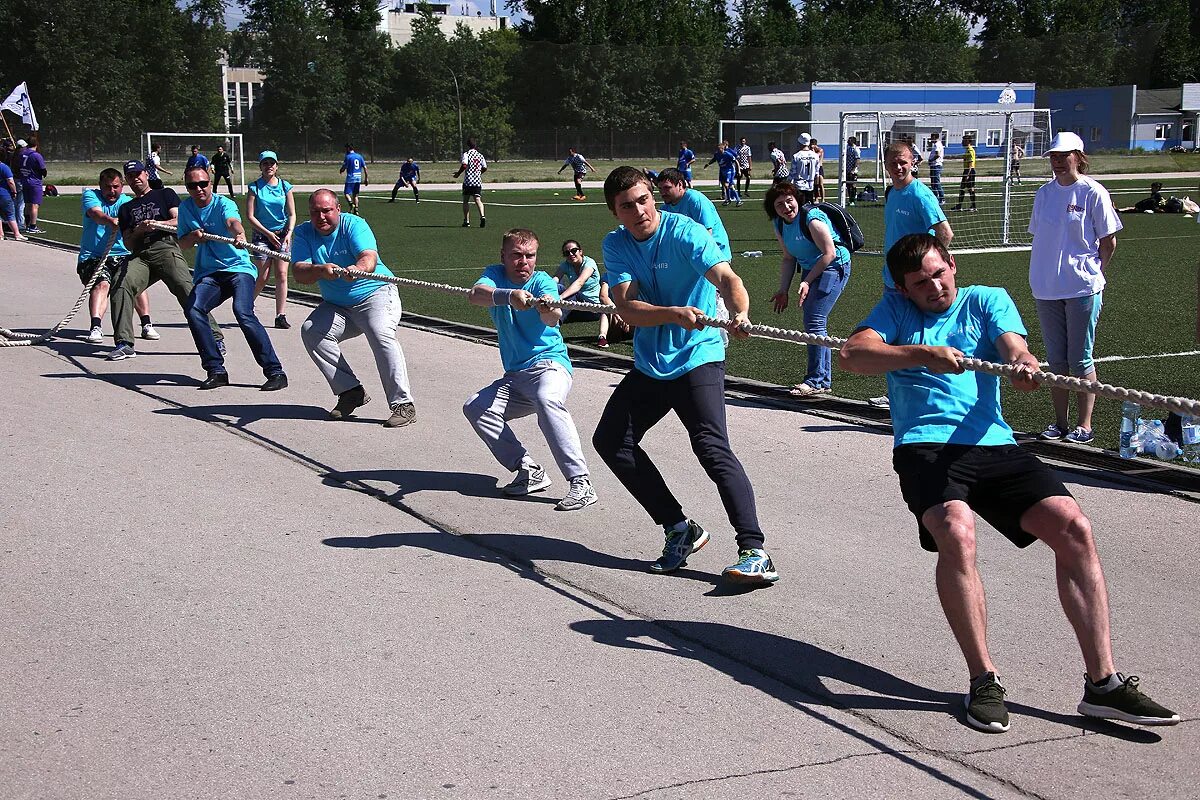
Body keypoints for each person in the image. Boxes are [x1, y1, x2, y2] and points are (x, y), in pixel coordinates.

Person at [838, 232, 1179, 734]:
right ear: (903, 289)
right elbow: (854, 354)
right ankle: (984, 679)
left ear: (951, 264)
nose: (934, 287)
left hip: (993, 443)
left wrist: (1024, 362)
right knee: (957, 533)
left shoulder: (986, 299)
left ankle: (1103, 684)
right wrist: (921, 353)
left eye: (939, 273)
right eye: (920, 283)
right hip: (926, 448)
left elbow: (1013, 345)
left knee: (1074, 527)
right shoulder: (896, 311)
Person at [592, 166, 779, 585]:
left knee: (711, 448)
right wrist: (673, 314)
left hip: (699, 356)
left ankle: (755, 550)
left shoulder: (686, 232)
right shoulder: (616, 244)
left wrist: (740, 312)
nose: (640, 210)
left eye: (644, 199)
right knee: (611, 441)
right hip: (652, 365)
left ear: (653, 196)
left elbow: (728, 278)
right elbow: (626, 308)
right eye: (627, 206)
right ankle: (680, 528)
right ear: (615, 212)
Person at [464, 228, 597, 512]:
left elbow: (553, 317)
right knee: (476, 407)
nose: (523, 261)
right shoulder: (494, 275)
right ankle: (528, 469)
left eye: (530, 256)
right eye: (516, 255)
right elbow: (476, 295)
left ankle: (581, 482)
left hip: (550, 366)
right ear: (503, 256)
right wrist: (509, 295)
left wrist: (546, 308)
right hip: (515, 377)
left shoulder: (542, 283)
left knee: (548, 399)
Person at [294, 189, 417, 428]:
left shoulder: (354, 224)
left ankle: (403, 404)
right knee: (312, 331)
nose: (321, 217)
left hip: (377, 294)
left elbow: (368, 257)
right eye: (315, 212)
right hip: (339, 306)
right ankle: (350, 391)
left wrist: (356, 269)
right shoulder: (303, 232)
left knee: (381, 334)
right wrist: (320, 270)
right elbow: (299, 272)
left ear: (338, 209)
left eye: (327, 211)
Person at [1028, 131, 1121, 445]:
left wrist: (1094, 272)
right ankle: (1059, 423)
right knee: (1055, 361)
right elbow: (1041, 236)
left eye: (1063, 155)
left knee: (1080, 360)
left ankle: (1085, 425)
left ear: (1078, 157)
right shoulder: (1044, 194)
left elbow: (1108, 241)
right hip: (1046, 288)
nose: (1057, 161)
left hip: (1082, 287)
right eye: (1053, 156)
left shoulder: (1093, 192)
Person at [177, 165, 287, 391]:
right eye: (192, 185)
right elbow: (182, 244)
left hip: (238, 269)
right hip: (210, 273)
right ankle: (216, 370)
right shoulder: (186, 208)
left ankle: (275, 371)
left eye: (203, 184)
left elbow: (232, 222)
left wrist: (238, 233)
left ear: (210, 183)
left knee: (243, 312)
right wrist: (193, 236)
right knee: (194, 309)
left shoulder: (223, 203)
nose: (198, 189)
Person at [110, 160, 224, 361]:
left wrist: (156, 224)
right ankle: (124, 343)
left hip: (165, 247)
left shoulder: (164, 194)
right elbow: (128, 243)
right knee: (121, 283)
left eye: (138, 174)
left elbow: (179, 220)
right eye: (130, 176)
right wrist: (139, 230)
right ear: (126, 180)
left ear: (146, 174)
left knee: (185, 288)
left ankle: (214, 338)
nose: (135, 178)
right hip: (140, 254)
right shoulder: (126, 208)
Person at [764, 181, 852, 397]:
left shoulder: (812, 220)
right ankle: (821, 379)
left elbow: (829, 254)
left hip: (833, 266)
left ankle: (816, 380)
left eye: (789, 201)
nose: (786, 207)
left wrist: (806, 281)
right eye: (779, 205)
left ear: (797, 199)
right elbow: (788, 258)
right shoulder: (780, 224)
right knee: (814, 321)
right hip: (812, 267)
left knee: (815, 320)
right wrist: (783, 289)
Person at [77, 169, 136, 344]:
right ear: (100, 187)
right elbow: (96, 214)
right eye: (107, 187)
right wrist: (111, 220)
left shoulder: (128, 202)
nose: (111, 191)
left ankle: (146, 322)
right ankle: (96, 326)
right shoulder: (90, 196)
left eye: (116, 187)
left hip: (122, 254)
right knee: (102, 283)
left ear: (122, 186)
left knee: (134, 279)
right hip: (93, 256)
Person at [247, 150, 296, 329]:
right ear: (260, 166)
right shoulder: (255, 187)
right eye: (265, 163)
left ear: (277, 165)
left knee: (282, 274)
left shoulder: (285, 186)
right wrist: (267, 233)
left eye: (272, 163)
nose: (269, 166)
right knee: (263, 275)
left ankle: (280, 315)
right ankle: (246, 306)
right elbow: (250, 216)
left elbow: (291, 213)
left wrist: (289, 232)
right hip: (262, 235)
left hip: (282, 235)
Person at [554, 238, 611, 348]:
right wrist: (544, 289)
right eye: (567, 253)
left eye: (574, 250)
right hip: (577, 306)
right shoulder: (566, 265)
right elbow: (556, 278)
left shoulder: (589, 263)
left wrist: (560, 298)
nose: (571, 254)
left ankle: (554, 325)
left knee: (571, 293)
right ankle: (542, 314)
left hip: (593, 308)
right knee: (557, 287)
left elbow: (579, 283)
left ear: (580, 251)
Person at [453, 138, 487, 228]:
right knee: (478, 199)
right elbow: (485, 167)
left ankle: (466, 221)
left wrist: (458, 174)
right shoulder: (480, 155)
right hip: (477, 181)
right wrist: (479, 173)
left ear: (468, 145)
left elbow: (464, 165)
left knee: (465, 201)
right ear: (475, 145)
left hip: (468, 181)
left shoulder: (466, 154)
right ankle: (482, 216)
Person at [16, 139, 46, 233]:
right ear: (36, 144)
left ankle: (27, 224)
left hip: (24, 180)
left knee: (27, 204)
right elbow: (43, 169)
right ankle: (33, 226)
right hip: (34, 182)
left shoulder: (22, 154)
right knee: (34, 205)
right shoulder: (36, 155)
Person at [0, 152, 26, 241]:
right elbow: (10, 181)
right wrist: (14, 191)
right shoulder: (4, 167)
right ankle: (17, 233)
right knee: (10, 214)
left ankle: (1, 234)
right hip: (4, 194)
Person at [339, 143, 368, 215]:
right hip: (358, 177)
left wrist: (341, 170)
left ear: (348, 148)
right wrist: (366, 178)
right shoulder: (359, 156)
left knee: (346, 193)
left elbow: (344, 167)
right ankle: (356, 210)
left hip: (351, 177)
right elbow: (365, 168)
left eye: (346, 148)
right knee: (355, 195)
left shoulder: (348, 157)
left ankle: (351, 204)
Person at [952, 135, 977, 212]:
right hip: (967, 171)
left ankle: (973, 206)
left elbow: (970, 163)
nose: (962, 142)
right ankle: (959, 205)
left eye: (964, 140)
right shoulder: (967, 150)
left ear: (968, 141)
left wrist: (967, 175)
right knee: (963, 188)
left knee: (970, 189)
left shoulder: (970, 150)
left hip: (969, 171)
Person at [928, 133, 945, 204]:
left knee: (936, 182)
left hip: (936, 165)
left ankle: (942, 198)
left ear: (934, 137)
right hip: (934, 165)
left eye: (932, 138)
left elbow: (937, 154)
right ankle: (935, 197)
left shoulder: (937, 145)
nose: (931, 139)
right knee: (933, 183)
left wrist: (931, 160)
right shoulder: (937, 144)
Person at [845, 136, 861, 206]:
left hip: (853, 171)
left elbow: (857, 160)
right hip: (847, 170)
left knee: (853, 185)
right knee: (848, 185)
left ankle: (853, 200)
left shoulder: (856, 149)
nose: (848, 141)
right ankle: (850, 199)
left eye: (849, 140)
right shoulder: (847, 148)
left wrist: (853, 170)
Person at [810, 137, 826, 202]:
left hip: (819, 168)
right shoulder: (810, 150)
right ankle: (816, 198)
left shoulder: (820, 150)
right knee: (815, 184)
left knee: (821, 184)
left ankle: (823, 199)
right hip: (814, 168)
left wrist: (813, 150)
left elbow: (816, 156)